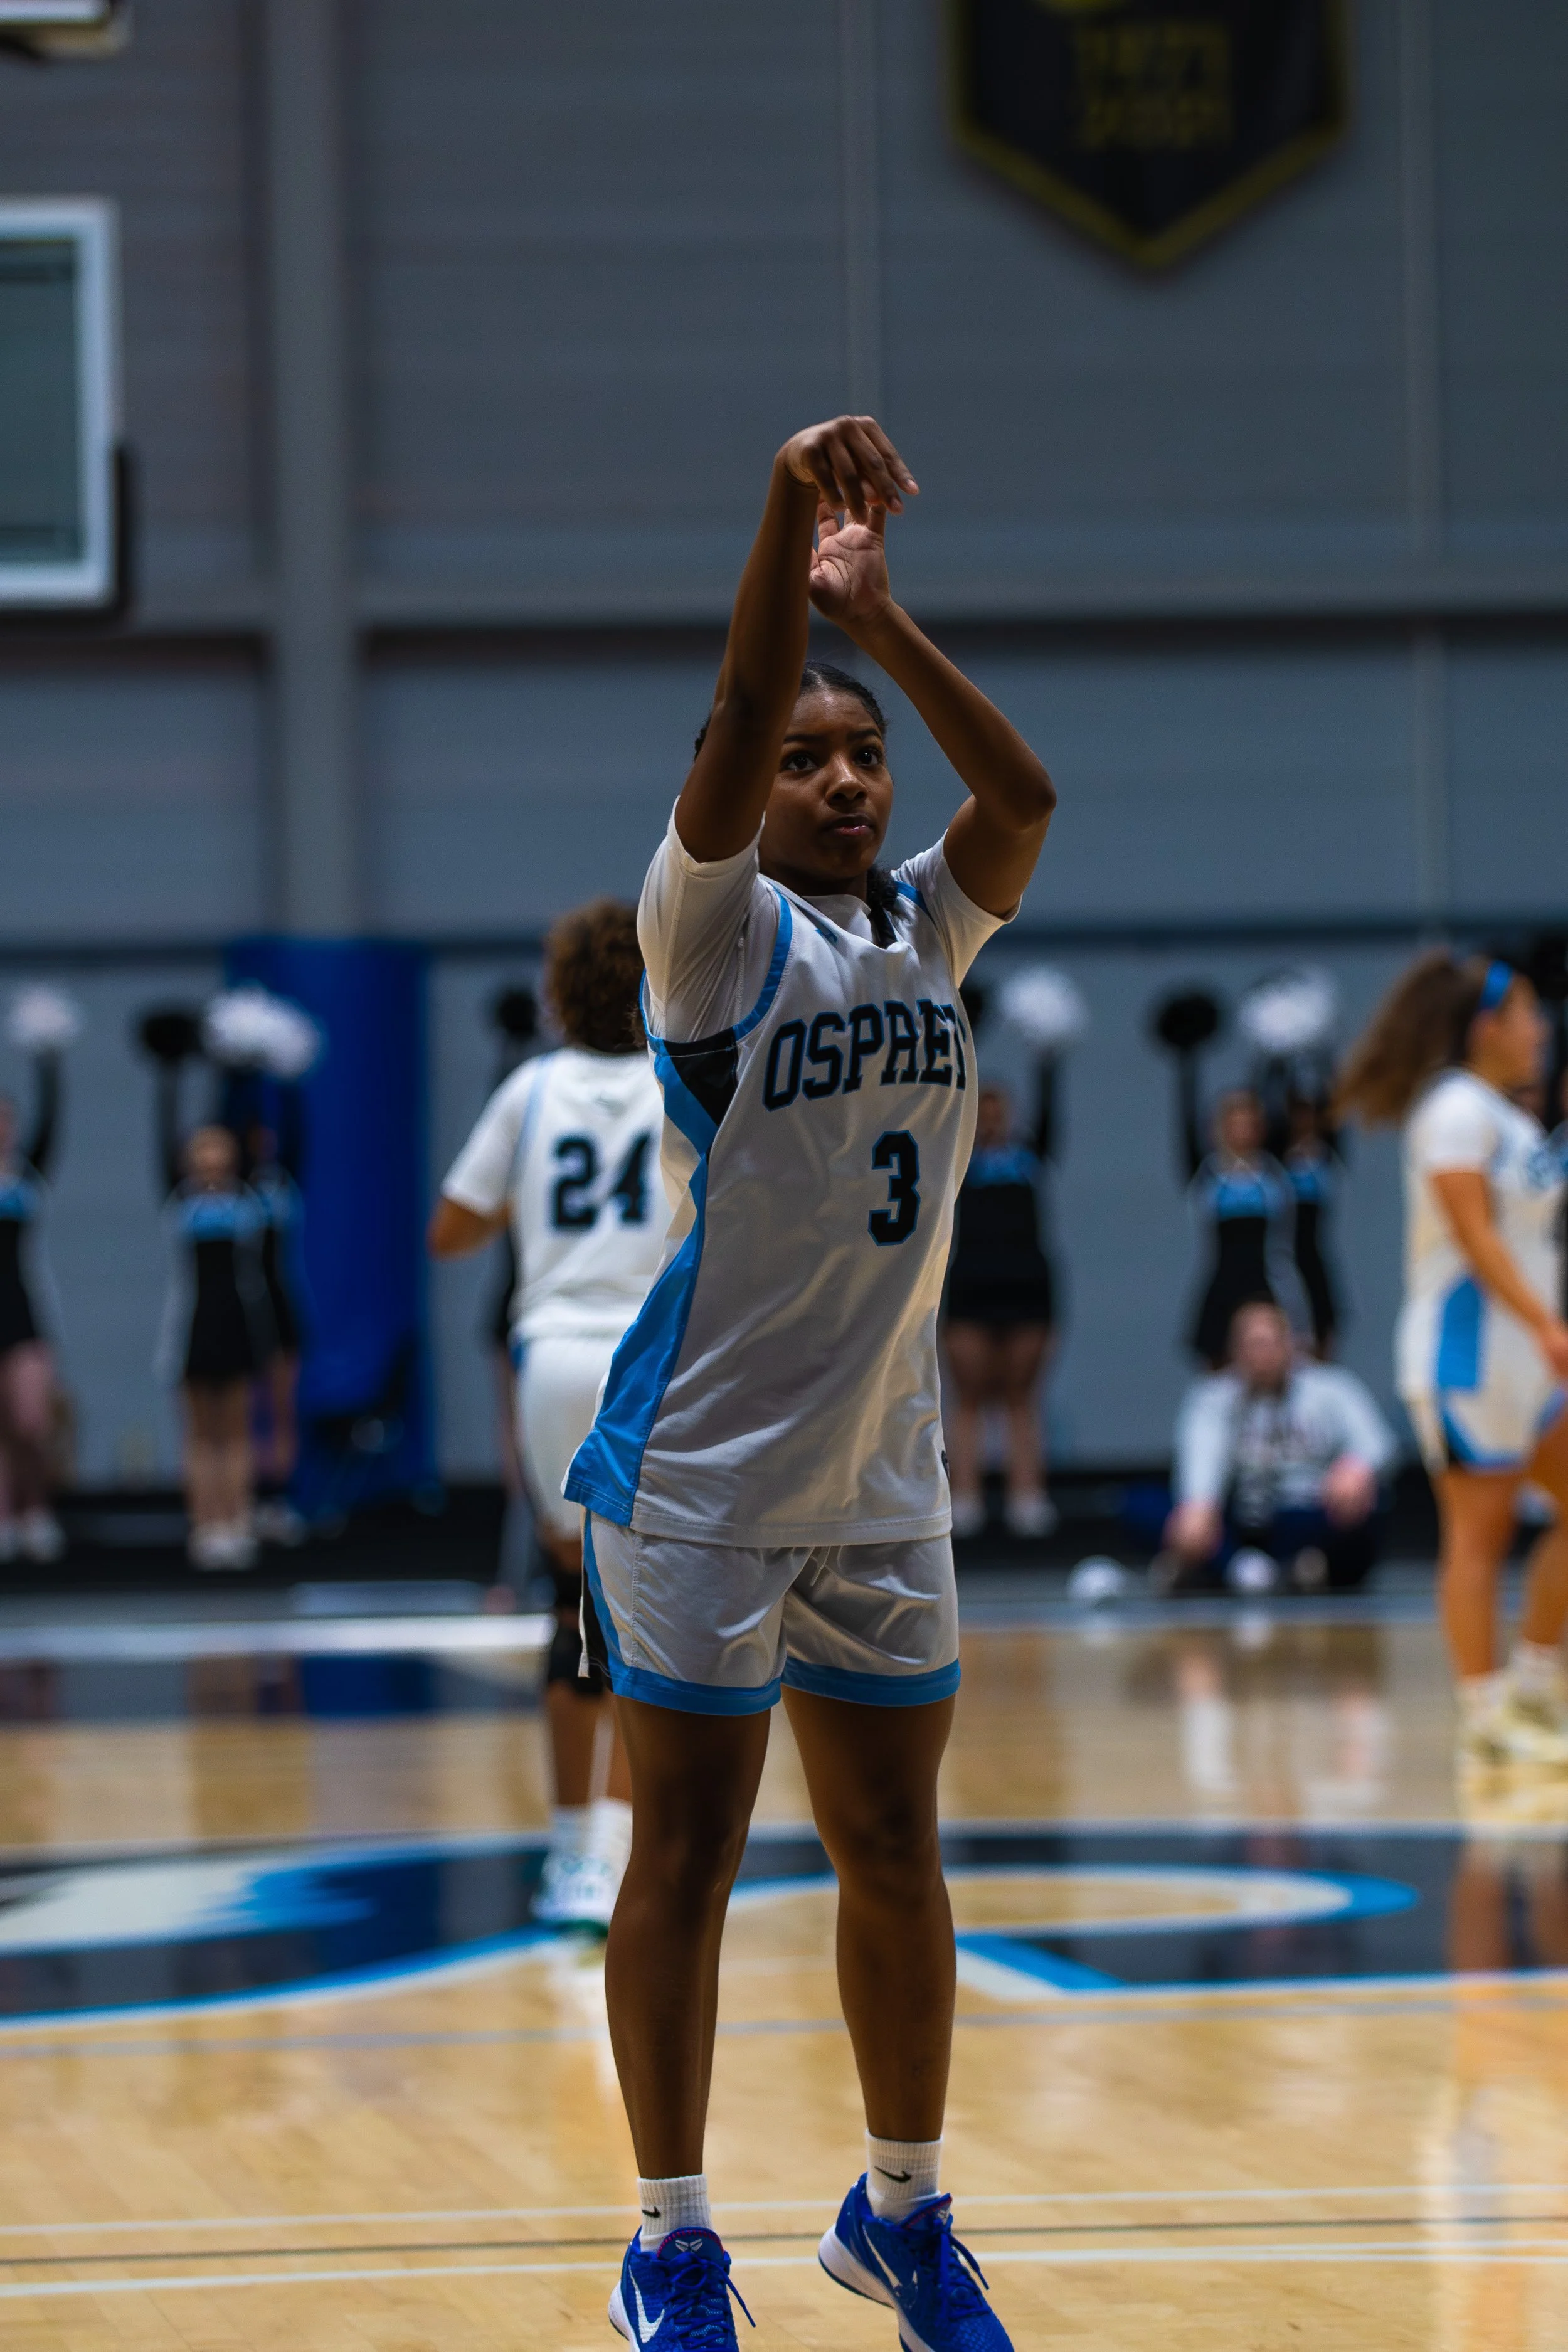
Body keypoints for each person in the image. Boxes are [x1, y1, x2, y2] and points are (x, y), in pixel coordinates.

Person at [563, 415, 1053, 2352]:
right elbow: (744, 683)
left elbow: (1018, 794)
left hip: (877, 1469)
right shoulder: (708, 938)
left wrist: (886, 615)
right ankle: (672, 2238)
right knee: (677, 1851)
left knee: (897, 1852)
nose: (843, 775)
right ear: (736, 786)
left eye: (859, 756)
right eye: (805, 756)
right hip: (692, 1476)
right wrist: (783, 526)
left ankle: (900, 2211)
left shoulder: (925, 924)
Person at [430, 902, 668, 1931]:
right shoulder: (684, 1079)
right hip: (656, 1353)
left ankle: (575, 1854)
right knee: (650, 1614)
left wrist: (521, 1204)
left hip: (555, 1359)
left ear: (559, 995)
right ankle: (627, 1848)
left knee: (573, 1607)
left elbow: (450, 1230)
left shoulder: (528, 1092)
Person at [1335, 951, 1568, 1772]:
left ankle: (1535, 1682)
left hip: (1526, 1355)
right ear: (1487, 1028)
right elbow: (1477, 1236)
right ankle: (1483, 1708)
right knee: (1479, 1532)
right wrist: (1549, 1323)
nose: (1541, 1029)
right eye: (1531, 1014)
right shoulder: (1455, 1111)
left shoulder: (1507, 1117)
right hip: (1466, 1353)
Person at [1162, 1301, 1394, 1594]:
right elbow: (1201, 1455)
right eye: (1254, 1345)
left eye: (1271, 1343)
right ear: (1236, 1350)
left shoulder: (1330, 1388)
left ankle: (1235, 1569)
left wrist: (1357, 1467)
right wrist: (1200, 1503)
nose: (1263, 1355)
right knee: (1145, 1508)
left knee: (1366, 1510)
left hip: (1306, 1511)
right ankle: (1244, 1568)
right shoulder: (1214, 1397)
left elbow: (1377, 1442)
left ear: (1291, 1345)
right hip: (1240, 1518)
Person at [157, 1109, 273, 1572]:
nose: (210, 1157)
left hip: (237, 1324)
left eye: (218, 1146)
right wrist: (171, 1074)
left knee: (236, 1429)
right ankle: (205, 1524)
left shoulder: (248, 1207)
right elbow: (162, 1142)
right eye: (200, 1147)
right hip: (193, 1326)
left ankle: (237, 1521)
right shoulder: (178, 1207)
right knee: (202, 1433)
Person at [943, 1076, 1059, 1539]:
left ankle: (1026, 1496)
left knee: (1020, 1397)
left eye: (998, 1109)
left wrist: (1048, 1060)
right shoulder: (957, 1159)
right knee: (968, 1397)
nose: (991, 1118)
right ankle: (965, 1496)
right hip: (972, 1286)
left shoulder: (1031, 1158)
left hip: (1026, 1285)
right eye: (982, 1109)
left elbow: (1053, 1117)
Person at [0, 1051, 66, 1565]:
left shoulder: (26, 1179)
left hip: (21, 1309)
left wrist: (48, 1061)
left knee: (30, 1422)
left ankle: (35, 1511)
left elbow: (52, 1125)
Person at [1182, 1084, 1295, 1370]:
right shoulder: (1207, 1176)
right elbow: (1186, 1134)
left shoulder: (1274, 1174)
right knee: (1217, 1370)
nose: (1242, 1132)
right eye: (1234, 1124)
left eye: (1249, 1124)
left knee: (1267, 1362)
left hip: (1264, 1281)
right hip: (1222, 1283)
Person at [1281, 1091, 1343, 1358]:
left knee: (1323, 1320)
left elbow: (1338, 1115)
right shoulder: (1276, 1162)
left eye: (1310, 1115)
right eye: (1297, 1116)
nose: (1304, 1122)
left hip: (1315, 1256)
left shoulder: (1329, 1158)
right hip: (1282, 1256)